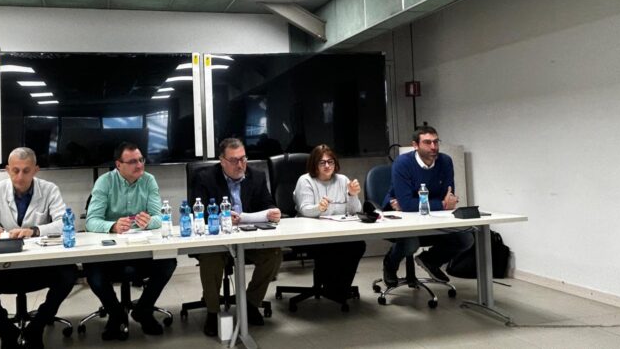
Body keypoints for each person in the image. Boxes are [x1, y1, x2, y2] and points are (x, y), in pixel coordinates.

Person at [0, 147, 77, 349]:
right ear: (7, 170)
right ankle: (5, 330)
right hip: (4, 266)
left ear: (36, 170)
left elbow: (64, 224)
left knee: (68, 273)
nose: (20, 176)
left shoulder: (49, 189)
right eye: (15, 170)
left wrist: (34, 230)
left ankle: (38, 325)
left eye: (26, 171)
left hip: (38, 265)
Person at [83, 142, 176, 341]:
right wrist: (112, 226)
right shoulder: (104, 182)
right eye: (133, 162)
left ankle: (143, 310)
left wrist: (149, 222)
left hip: (141, 249)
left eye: (141, 160)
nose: (139, 165)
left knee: (168, 262)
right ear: (119, 165)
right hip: (109, 253)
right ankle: (116, 314)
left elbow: (161, 218)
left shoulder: (149, 180)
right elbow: (91, 221)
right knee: (92, 272)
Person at [193, 138, 282, 337]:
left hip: (249, 239)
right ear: (222, 161)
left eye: (243, 159)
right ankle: (212, 312)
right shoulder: (205, 178)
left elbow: (267, 203)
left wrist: (272, 211)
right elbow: (199, 214)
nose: (240, 165)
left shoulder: (256, 176)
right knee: (210, 258)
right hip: (218, 240)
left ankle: (251, 304)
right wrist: (221, 218)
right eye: (234, 160)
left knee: (274, 253)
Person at [382, 126, 474, 287]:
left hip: (433, 217)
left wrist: (441, 203)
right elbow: (407, 205)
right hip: (401, 217)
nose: (433, 147)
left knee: (465, 239)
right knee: (410, 243)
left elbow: (448, 197)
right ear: (415, 145)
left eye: (436, 142)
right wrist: (441, 204)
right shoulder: (402, 163)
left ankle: (430, 260)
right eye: (427, 142)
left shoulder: (445, 161)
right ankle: (390, 264)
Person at [293, 144, 366, 303]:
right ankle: (334, 288)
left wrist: (352, 195)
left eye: (330, 162)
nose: (327, 166)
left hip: (338, 232)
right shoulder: (305, 181)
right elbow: (304, 209)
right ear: (314, 164)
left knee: (358, 245)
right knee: (330, 248)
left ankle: (340, 288)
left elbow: (355, 210)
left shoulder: (343, 180)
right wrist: (318, 208)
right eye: (322, 162)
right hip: (312, 235)